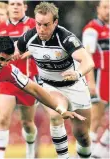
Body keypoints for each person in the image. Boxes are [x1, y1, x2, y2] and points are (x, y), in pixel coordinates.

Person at [17, 2, 95, 158]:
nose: (41, 29)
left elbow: (88, 61)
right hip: (50, 86)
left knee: (82, 136)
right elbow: (13, 51)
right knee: (55, 115)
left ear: (55, 22)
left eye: (46, 25)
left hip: (75, 86)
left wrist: (77, 74)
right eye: (38, 24)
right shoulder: (28, 36)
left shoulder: (65, 38)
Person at [0, 0, 39, 158]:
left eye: (19, 4)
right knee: (3, 120)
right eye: (12, 4)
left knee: (27, 124)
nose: (15, 7)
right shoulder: (2, 27)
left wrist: (28, 52)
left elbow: (43, 44)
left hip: (27, 79)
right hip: (6, 79)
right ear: (9, 7)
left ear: (24, 7)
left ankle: (30, 150)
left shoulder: (34, 24)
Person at [82, 0, 109, 157]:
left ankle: (99, 152)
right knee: (96, 118)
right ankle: (85, 154)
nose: (108, 11)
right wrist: (91, 82)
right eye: (105, 7)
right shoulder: (92, 29)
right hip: (100, 76)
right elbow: (87, 56)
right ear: (98, 9)